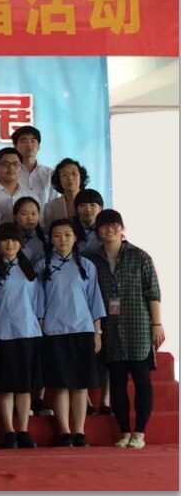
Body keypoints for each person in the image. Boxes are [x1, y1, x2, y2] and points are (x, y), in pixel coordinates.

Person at [88, 210, 164, 450]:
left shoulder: (140, 256)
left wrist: (157, 324)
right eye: (104, 226)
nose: (109, 230)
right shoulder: (92, 260)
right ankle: (124, 431)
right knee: (117, 383)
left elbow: (152, 292)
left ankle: (139, 432)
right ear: (97, 231)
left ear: (122, 228)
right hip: (110, 328)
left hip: (137, 326)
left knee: (142, 381)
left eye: (114, 225)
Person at [36, 219, 106, 448]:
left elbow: (95, 300)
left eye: (67, 235)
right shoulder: (42, 266)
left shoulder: (86, 266)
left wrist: (97, 332)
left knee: (80, 385)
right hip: (54, 331)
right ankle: (64, 431)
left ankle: (79, 431)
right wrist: (41, 329)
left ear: (75, 238)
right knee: (60, 384)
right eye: (57, 235)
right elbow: (38, 302)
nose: (63, 240)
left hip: (82, 330)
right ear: (51, 239)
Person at [0, 223, 44, 449]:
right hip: (4, 332)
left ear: (21, 243)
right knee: (6, 385)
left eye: (15, 240)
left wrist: (39, 326)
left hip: (29, 332)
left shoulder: (29, 270)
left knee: (24, 386)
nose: (10, 244)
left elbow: (38, 302)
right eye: (5, 240)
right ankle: (9, 430)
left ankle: (24, 430)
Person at [0, 148, 34, 236]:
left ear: (21, 168)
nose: (11, 167)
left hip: (26, 244)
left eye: (15, 164)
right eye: (5, 164)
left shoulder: (31, 196)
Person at [12, 126, 57, 206]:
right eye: (24, 141)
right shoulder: (11, 173)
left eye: (33, 141)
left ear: (39, 146)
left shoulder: (49, 173)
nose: (29, 145)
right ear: (15, 146)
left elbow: (53, 202)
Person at [41, 158, 89, 231]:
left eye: (74, 173)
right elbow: (47, 232)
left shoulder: (92, 201)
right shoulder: (50, 207)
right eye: (64, 175)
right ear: (59, 180)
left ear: (81, 177)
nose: (70, 178)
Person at [14, 197, 50, 267]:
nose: (30, 218)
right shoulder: (8, 240)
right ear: (15, 216)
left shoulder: (47, 240)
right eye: (24, 214)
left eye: (33, 214)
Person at [73, 189, 105, 256]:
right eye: (82, 205)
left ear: (100, 208)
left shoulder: (107, 228)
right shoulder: (70, 228)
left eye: (92, 205)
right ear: (76, 209)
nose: (88, 209)